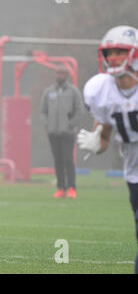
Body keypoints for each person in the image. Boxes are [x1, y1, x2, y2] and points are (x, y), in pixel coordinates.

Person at [76, 25, 138, 274]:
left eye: (120, 52)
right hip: (134, 174)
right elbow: (104, 137)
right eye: (109, 52)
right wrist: (96, 142)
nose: (113, 58)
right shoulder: (100, 89)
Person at [40, 65, 83, 198]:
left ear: (66, 75)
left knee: (68, 159)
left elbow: (79, 110)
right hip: (53, 132)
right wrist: (46, 124)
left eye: (62, 73)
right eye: (58, 73)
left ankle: (71, 188)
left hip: (68, 133)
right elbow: (43, 110)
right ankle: (60, 188)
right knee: (57, 160)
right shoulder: (49, 91)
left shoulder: (73, 91)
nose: (60, 75)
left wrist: (71, 124)